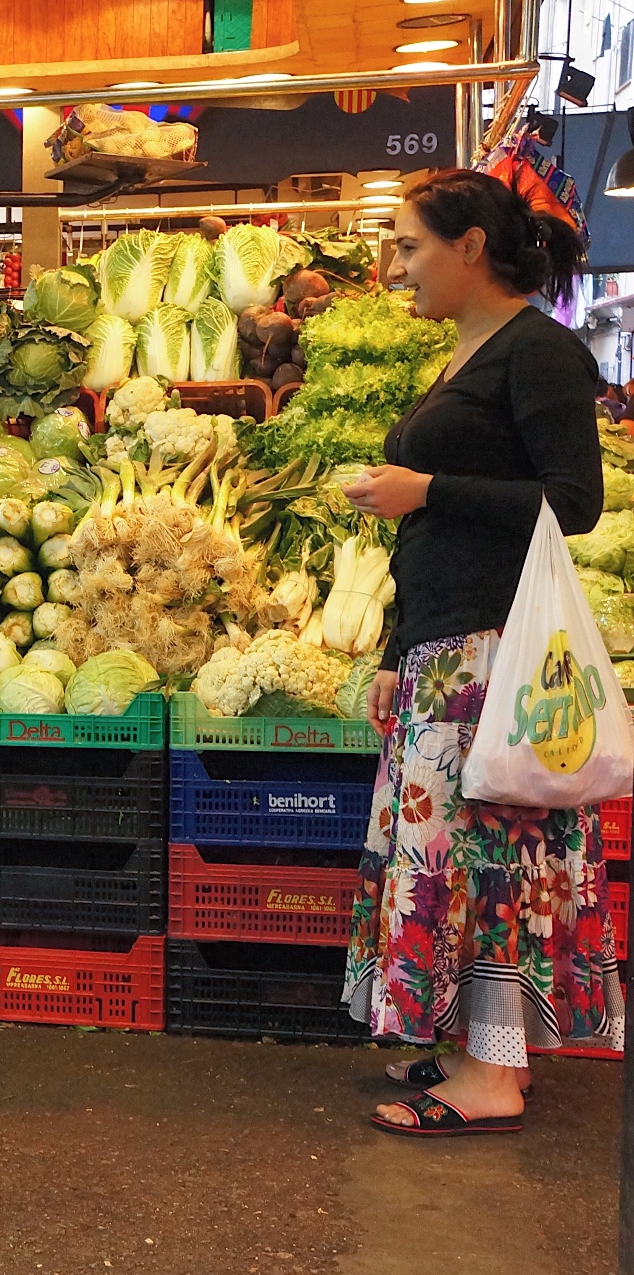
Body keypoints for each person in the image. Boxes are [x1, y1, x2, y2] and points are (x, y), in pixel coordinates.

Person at [344, 168, 623, 1137]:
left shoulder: (536, 353)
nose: (396, 267)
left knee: (486, 862)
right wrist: (393, 643)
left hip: (493, 656)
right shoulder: (467, 352)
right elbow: (427, 525)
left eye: (409, 245)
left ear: (468, 247)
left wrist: (426, 490)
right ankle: (478, 1046)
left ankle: (491, 1078)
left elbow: (571, 504)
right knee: (462, 862)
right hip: (442, 648)